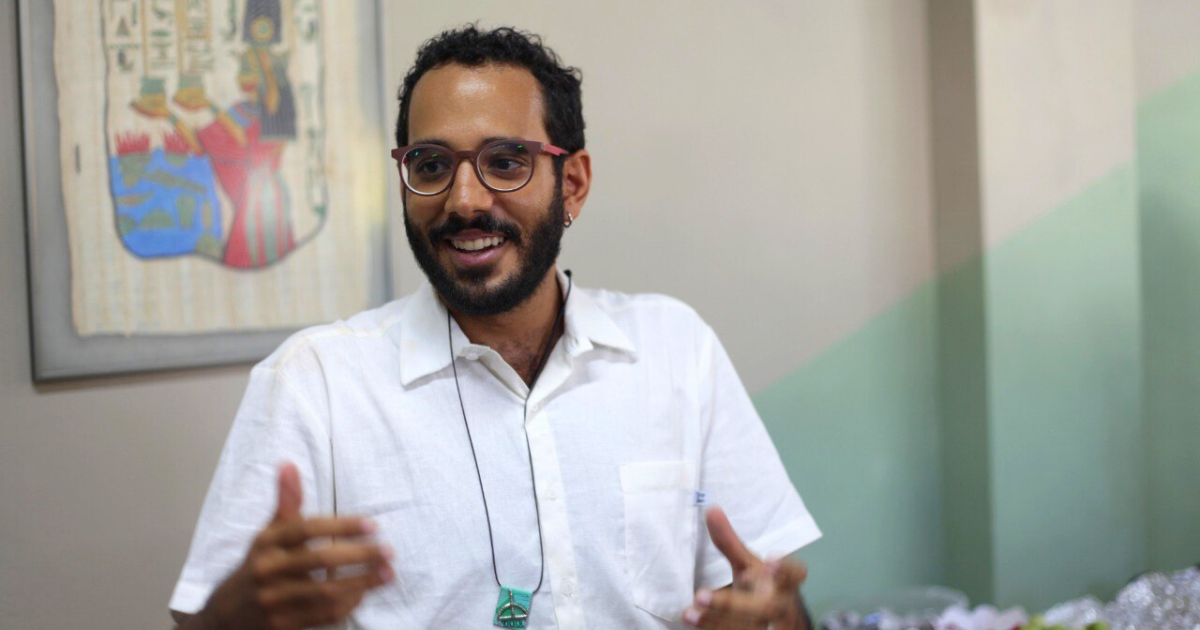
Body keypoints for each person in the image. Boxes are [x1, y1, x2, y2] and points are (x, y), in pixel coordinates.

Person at [170, 25, 821, 630]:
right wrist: (239, 611)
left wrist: (772, 614)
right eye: (430, 165)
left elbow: (776, 600)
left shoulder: (675, 351)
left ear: (574, 184)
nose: (464, 200)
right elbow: (204, 621)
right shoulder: (318, 383)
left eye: (506, 161)